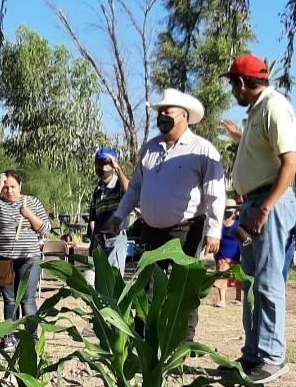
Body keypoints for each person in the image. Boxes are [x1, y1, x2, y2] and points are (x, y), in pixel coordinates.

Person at [109, 88, 226, 341]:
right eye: (160, 112)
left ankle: (182, 339)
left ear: (184, 116)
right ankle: (143, 335)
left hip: (186, 231)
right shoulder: (150, 148)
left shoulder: (203, 150)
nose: (162, 116)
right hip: (151, 230)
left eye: (167, 112)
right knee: (148, 283)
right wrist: (120, 214)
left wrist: (215, 231)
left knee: (185, 287)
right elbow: (136, 187)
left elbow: (215, 194)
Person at [221, 53, 296, 383]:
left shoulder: (274, 106)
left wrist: (266, 207)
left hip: (269, 201)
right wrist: (241, 138)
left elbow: (290, 163)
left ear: (241, 83)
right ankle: (252, 355)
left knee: (267, 280)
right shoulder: (258, 111)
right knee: (251, 280)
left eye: (232, 85)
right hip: (253, 202)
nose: (232, 92)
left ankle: (271, 356)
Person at [0, 171, 51, 346]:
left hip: (29, 257)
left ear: (20, 185)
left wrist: (29, 215)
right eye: (6, 187)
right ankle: (10, 337)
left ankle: (31, 339)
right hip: (5, 260)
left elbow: (45, 228)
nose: (9, 190)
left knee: (27, 299)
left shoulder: (32, 202)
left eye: (13, 186)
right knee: (9, 300)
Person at [86, 147, 129, 279]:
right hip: (99, 242)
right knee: (98, 282)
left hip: (115, 240)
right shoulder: (97, 190)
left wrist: (118, 168)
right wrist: (92, 244)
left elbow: (128, 189)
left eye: (106, 163)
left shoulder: (118, 185)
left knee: (114, 282)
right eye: (100, 163)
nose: (103, 167)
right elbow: (94, 219)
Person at [213, 199, 243, 307]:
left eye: (231, 208)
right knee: (222, 273)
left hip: (236, 256)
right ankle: (222, 300)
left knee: (238, 277)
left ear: (235, 210)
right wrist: (217, 256)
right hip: (222, 256)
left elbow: (244, 241)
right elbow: (216, 240)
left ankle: (238, 298)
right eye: (227, 208)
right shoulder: (219, 224)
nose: (229, 210)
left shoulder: (239, 223)